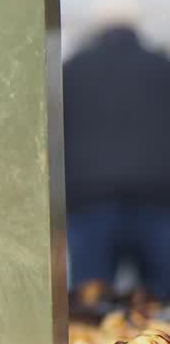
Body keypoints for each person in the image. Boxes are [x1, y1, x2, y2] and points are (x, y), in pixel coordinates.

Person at [63, 20, 170, 299]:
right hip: (158, 201)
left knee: (90, 303)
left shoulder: (72, 70)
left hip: (90, 203)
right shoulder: (162, 67)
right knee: (163, 302)